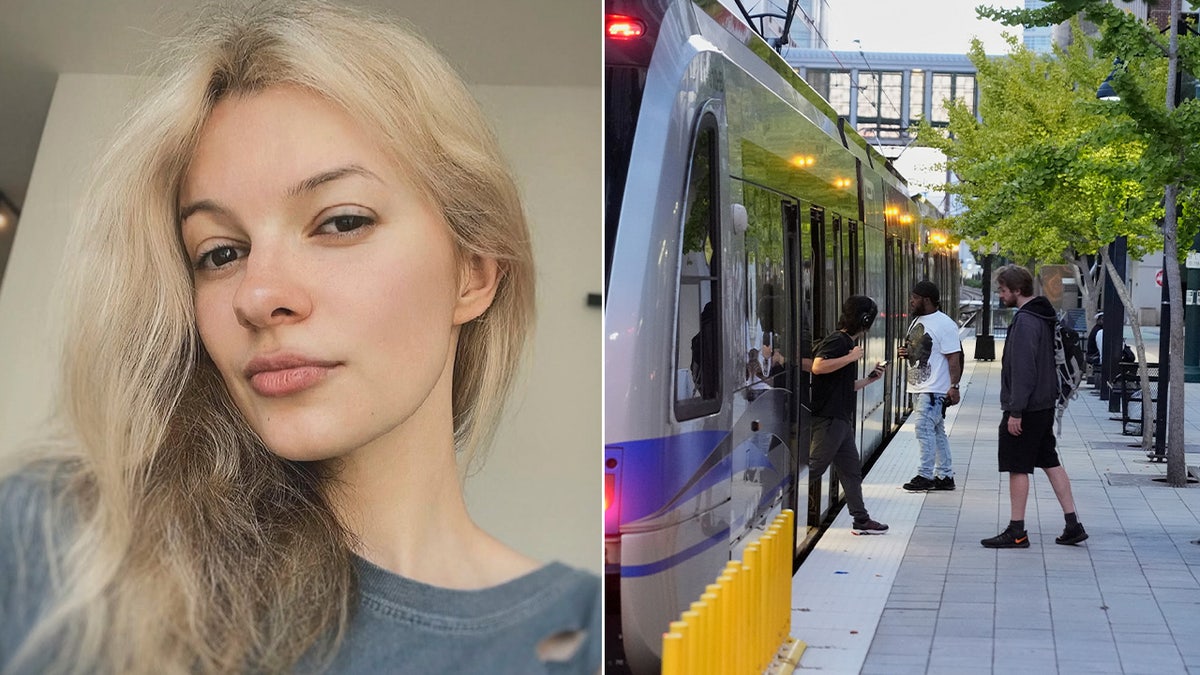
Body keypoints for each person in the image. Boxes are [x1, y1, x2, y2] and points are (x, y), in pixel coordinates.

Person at [0, 4, 599, 674]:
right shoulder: (64, 549)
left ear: (473, 275)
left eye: (340, 222)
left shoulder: (579, 638)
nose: (258, 295)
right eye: (220, 253)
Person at [982, 265, 1088, 549]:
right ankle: (1073, 524)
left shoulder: (1026, 321)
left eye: (1003, 290)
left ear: (1017, 291)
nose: (1000, 295)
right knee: (1050, 461)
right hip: (1043, 404)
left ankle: (1016, 531)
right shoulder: (1042, 316)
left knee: (1018, 467)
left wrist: (1015, 411)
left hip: (1027, 408)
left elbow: (1024, 369)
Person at [809, 295, 889, 535]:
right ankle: (777, 500)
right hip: (830, 419)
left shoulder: (846, 343)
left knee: (851, 471)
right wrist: (851, 357)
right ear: (865, 320)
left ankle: (861, 518)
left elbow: (845, 385)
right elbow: (818, 366)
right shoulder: (839, 341)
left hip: (841, 419)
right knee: (814, 468)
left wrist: (870, 378)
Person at [899, 281, 963, 492]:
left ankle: (925, 474)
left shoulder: (944, 324)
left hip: (934, 389)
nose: (911, 301)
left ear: (926, 300)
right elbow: (924, 349)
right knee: (936, 431)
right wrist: (908, 352)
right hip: (919, 387)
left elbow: (954, 358)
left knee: (923, 429)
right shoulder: (918, 320)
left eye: (914, 297)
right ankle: (945, 476)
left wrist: (954, 386)